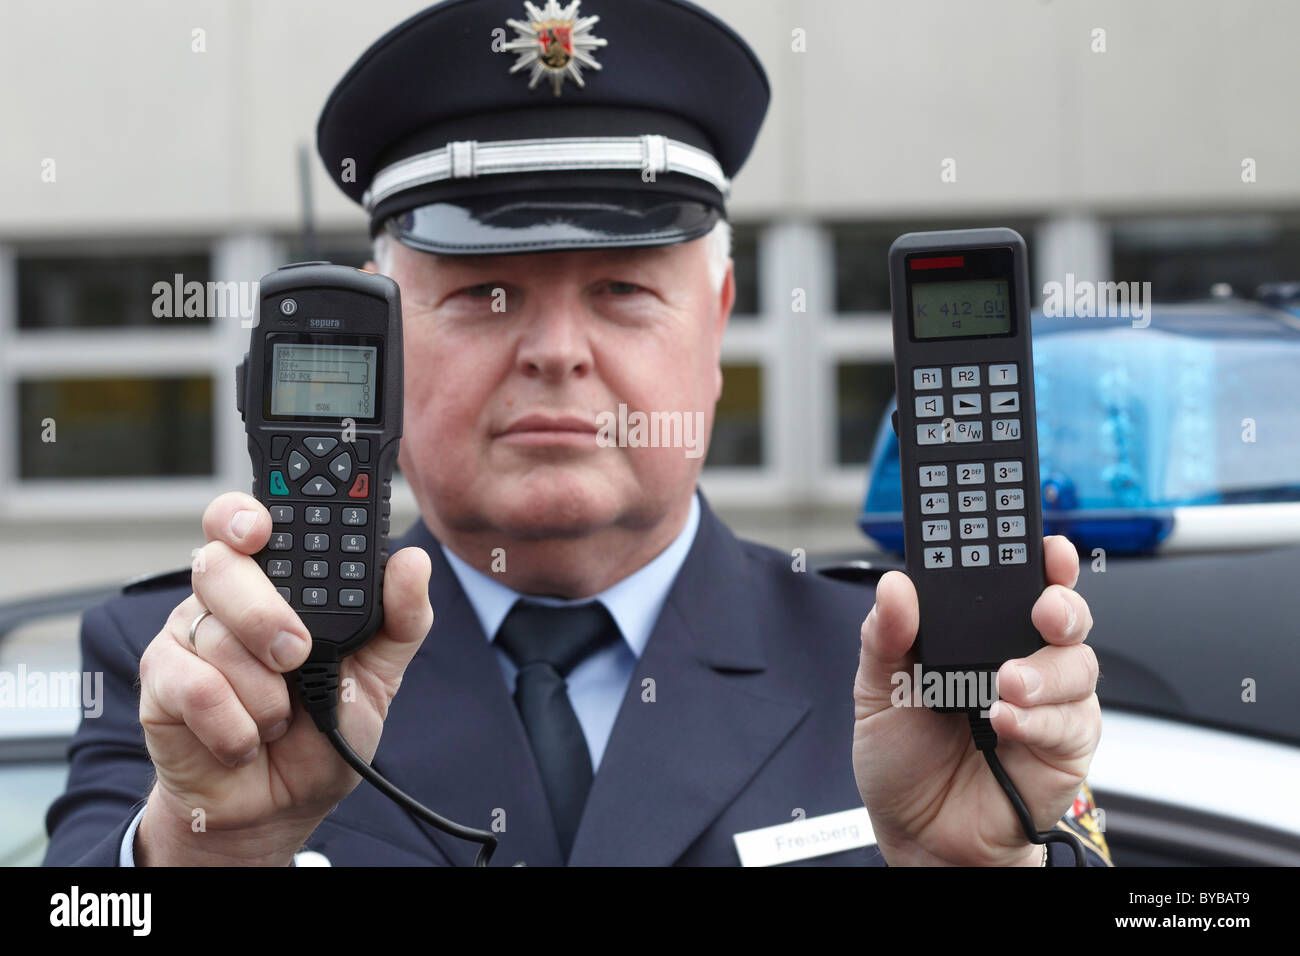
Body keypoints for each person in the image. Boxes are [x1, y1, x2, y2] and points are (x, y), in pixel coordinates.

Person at [43, 0, 1110, 867]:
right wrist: (199, 850)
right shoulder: (206, 673)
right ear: (380, 327)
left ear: (720, 316)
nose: (554, 349)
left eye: (621, 287)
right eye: (484, 291)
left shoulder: (909, 670)